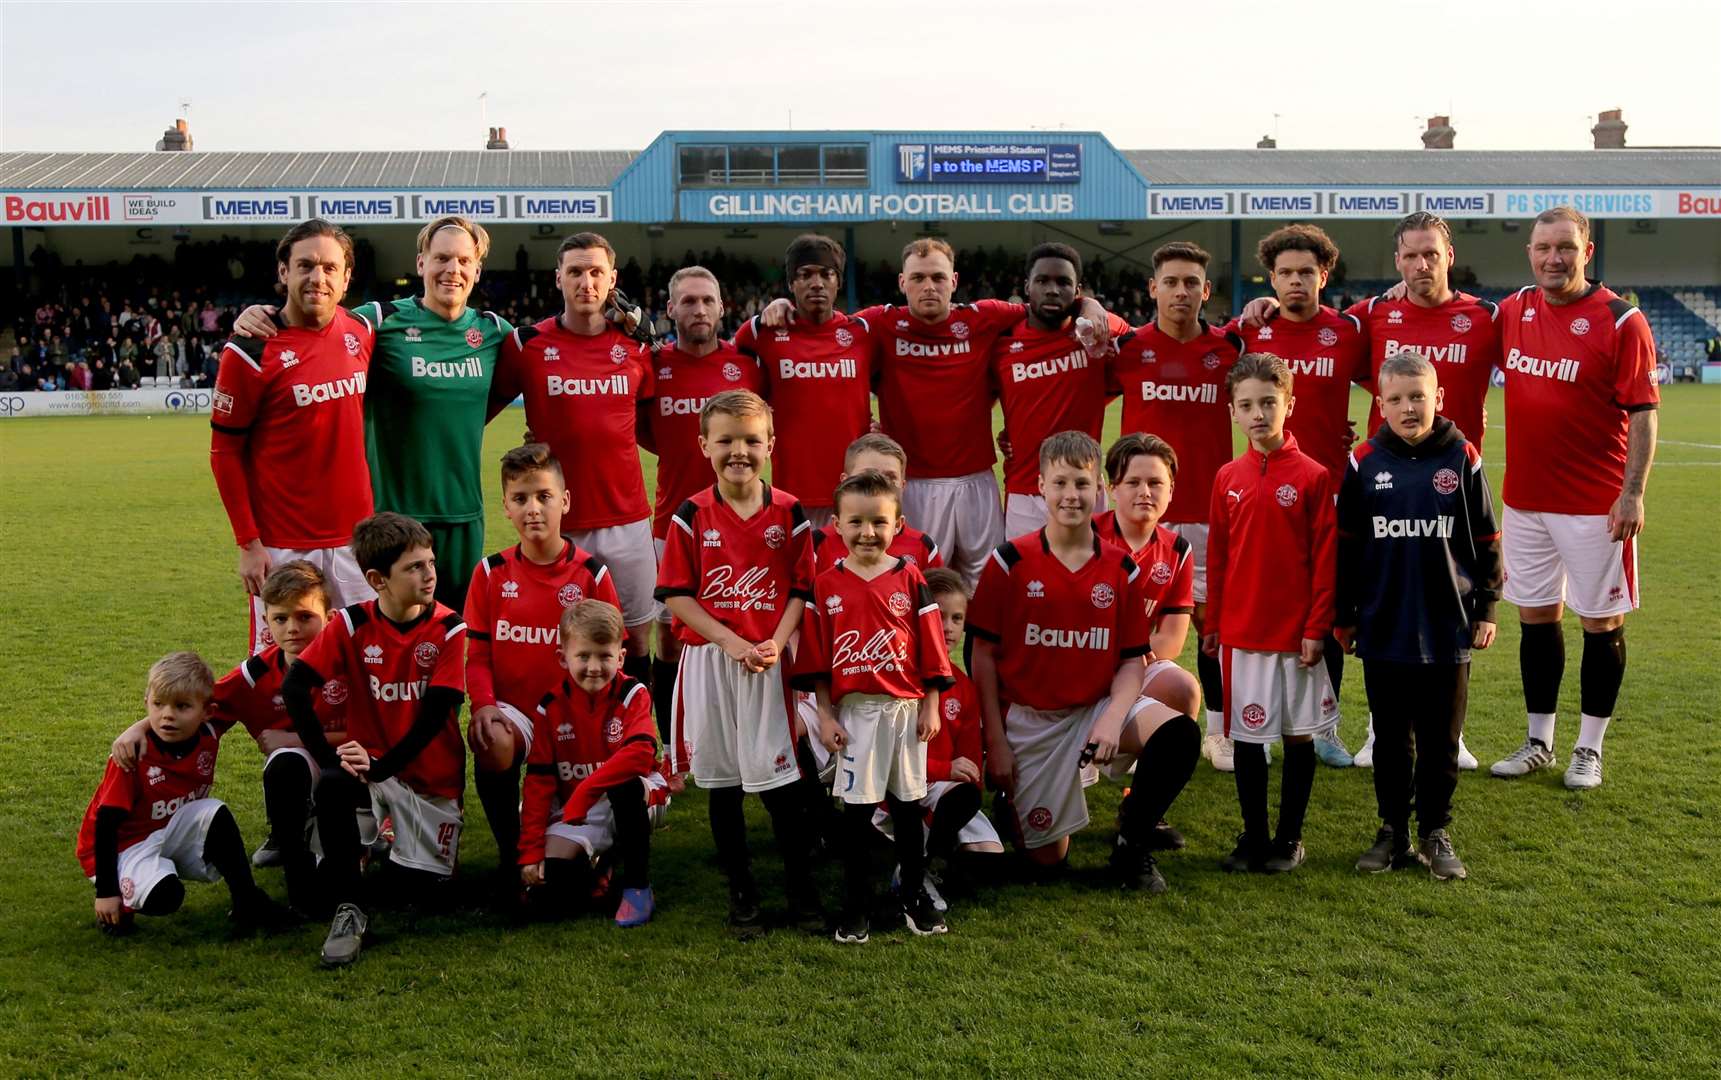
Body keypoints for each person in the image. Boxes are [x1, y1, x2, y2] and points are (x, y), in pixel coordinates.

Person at [234, 216, 513, 611]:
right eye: (442, 258)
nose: (453, 270)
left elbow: (534, 378)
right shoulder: (378, 321)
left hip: (464, 515)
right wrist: (258, 314)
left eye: (464, 261)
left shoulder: (493, 331)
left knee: (451, 631)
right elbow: (315, 322)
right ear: (421, 263)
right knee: (392, 633)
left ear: (477, 269)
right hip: (394, 515)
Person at [969, 431, 1202, 893]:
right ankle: (1012, 801)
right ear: (1040, 486)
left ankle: (1131, 847)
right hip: (1032, 721)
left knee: (1178, 734)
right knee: (1047, 864)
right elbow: (980, 656)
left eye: (1080, 484)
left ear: (1097, 488)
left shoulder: (1121, 569)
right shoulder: (1010, 561)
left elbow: (1135, 660)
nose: (1070, 495)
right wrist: (995, 740)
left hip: (1095, 705)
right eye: (1059, 484)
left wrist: (1113, 719)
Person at [1489, 207, 1659, 791]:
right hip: (1526, 501)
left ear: (1587, 250)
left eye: (1565, 247)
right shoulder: (1513, 310)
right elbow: (1443, 321)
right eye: (1543, 248)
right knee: (1536, 621)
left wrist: (1631, 494)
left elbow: (1643, 413)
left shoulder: (1620, 320)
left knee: (1600, 622)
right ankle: (1539, 740)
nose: (1553, 258)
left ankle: (1589, 749)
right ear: (1530, 253)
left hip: (1596, 505)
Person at [654, 390, 823, 938]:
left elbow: (801, 587)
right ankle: (742, 895)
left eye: (751, 440)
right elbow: (677, 595)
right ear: (704, 445)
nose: (739, 451)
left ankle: (801, 893)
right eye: (725, 440)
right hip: (711, 663)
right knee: (724, 784)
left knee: (782, 785)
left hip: (768, 665)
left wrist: (774, 641)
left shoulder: (789, 511)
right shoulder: (691, 514)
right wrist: (730, 642)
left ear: (770, 444)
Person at [1336, 351, 1501, 880]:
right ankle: (1392, 830)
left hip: (1448, 623)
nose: (1408, 408)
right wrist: (1345, 614)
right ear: (1379, 404)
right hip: (1385, 625)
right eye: (1397, 400)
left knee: (1441, 739)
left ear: (1439, 400)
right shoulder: (1364, 461)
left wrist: (1487, 606)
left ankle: (1434, 828)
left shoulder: (1462, 457)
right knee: (1390, 738)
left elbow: (1486, 539)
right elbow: (1347, 546)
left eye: (1418, 398)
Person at [281, 512, 468, 967]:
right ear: (376, 579)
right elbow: (294, 686)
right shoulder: (349, 624)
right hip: (371, 772)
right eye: (414, 567)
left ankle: (381, 843)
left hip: (429, 780)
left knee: (415, 892)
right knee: (331, 784)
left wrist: (383, 766)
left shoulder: (449, 629)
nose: (429, 575)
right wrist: (329, 757)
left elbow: (433, 719)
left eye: (429, 563)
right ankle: (349, 909)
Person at [110, 562, 348, 912]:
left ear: (329, 618)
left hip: (358, 767)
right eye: (281, 619)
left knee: (353, 862)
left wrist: (293, 739)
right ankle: (297, 876)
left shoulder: (351, 662)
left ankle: (356, 836)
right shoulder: (255, 676)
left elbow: (381, 730)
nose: (292, 629)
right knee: (285, 766)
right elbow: (196, 707)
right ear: (266, 621)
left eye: (304, 617)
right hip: (305, 771)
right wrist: (140, 727)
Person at [490, 232, 657, 692]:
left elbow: (657, 426)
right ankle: (562, 742)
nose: (587, 281)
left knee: (636, 639)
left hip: (626, 518)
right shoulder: (527, 345)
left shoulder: (638, 350)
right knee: (564, 640)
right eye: (577, 272)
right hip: (557, 521)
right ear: (558, 278)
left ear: (612, 279)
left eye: (596, 272)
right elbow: (476, 411)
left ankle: (644, 742)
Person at [795, 470, 955, 942]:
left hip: (905, 712)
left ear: (898, 524)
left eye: (879, 522)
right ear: (838, 526)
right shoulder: (825, 586)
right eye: (857, 522)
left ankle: (910, 895)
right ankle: (856, 902)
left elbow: (931, 651)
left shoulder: (910, 577)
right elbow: (817, 663)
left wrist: (931, 704)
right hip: (857, 714)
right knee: (859, 814)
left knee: (907, 809)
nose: (868, 532)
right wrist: (825, 716)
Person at [1230, 225, 1367, 769]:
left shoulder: (1350, 332)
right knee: (1263, 602)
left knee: (1326, 608)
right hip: (1262, 492)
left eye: (1305, 272)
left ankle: (1324, 726)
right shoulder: (1251, 333)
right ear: (1271, 279)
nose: (1294, 281)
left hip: (1328, 492)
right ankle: (1256, 723)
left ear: (1323, 276)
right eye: (1284, 273)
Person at [210, 219, 377, 655]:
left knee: (362, 666)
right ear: (283, 272)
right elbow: (224, 451)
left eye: (328, 267)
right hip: (283, 545)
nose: (316, 277)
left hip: (356, 543)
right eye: (305, 265)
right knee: (282, 678)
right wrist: (248, 543)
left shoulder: (361, 332)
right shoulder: (248, 351)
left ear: (345, 278)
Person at [464, 443, 621, 897]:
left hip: (576, 716)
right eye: (520, 499)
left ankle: (604, 850)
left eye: (543, 496)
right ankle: (510, 853)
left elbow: (611, 659)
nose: (533, 508)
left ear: (564, 501)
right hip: (518, 712)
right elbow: (477, 655)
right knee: (490, 741)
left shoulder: (592, 574)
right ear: (506, 508)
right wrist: (484, 707)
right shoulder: (491, 573)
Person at [1203, 354, 1339, 874]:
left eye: (1268, 402)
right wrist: (1213, 623)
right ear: (1233, 412)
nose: (1258, 413)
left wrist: (1315, 629)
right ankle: (1254, 835)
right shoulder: (1227, 477)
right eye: (1246, 405)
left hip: (1294, 636)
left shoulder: (1312, 476)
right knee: (1248, 737)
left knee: (1296, 735)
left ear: (1289, 404)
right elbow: (1217, 556)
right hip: (1241, 633)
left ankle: (1290, 837)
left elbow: (1326, 561)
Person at [1110, 245, 1244, 770]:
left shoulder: (1229, 348)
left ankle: (1219, 731)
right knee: (1122, 620)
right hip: (1138, 512)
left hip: (1208, 509)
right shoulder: (1126, 348)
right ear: (1152, 289)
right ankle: (1122, 722)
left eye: (1192, 282)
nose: (1181, 291)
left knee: (1211, 623)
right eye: (1171, 282)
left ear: (1206, 291)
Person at [76, 652, 287, 936]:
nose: (168, 715)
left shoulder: (209, 731)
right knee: (166, 897)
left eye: (182, 706)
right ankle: (123, 903)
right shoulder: (133, 755)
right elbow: (106, 825)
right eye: (158, 704)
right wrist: (106, 892)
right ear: (146, 704)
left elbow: (240, 681)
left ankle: (247, 901)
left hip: (167, 825)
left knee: (215, 812)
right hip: (123, 846)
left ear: (207, 712)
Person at [643, 265, 763, 733]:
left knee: (742, 628)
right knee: (671, 639)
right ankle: (674, 743)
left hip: (741, 526)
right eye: (688, 301)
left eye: (707, 301)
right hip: (672, 522)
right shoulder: (653, 365)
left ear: (722, 307)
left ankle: (739, 732)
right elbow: (635, 427)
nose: (698, 310)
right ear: (670, 308)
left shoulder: (746, 367)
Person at [519, 600, 668, 927]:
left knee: (624, 784)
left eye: (605, 656)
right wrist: (530, 852)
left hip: (635, 798)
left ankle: (637, 886)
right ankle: (602, 868)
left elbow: (641, 753)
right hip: (577, 810)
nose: (594, 667)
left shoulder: (633, 692)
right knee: (548, 890)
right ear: (563, 658)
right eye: (583, 656)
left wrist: (587, 789)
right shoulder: (549, 707)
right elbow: (539, 782)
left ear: (621, 657)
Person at [733, 234, 875, 529]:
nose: (817, 283)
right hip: (793, 494)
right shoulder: (767, 333)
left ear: (838, 282)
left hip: (853, 489)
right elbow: (739, 344)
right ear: (791, 284)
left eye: (827, 274)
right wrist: (770, 310)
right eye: (805, 274)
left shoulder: (862, 332)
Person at [994, 243, 1129, 537]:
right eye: (1043, 281)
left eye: (1063, 282)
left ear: (1077, 290)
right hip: (1025, 492)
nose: (1052, 289)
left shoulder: (1094, 335)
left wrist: (1092, 306)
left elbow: (1130, 337)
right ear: (1027, 286)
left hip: (1085, 486)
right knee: (1027, 581)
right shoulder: (1001, 346)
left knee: (1090, 578)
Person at [916, 567, 1005, 901]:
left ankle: (930, 858)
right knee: (959, 796)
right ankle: (919, 866)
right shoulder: (900, 676)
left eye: (957, 618)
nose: (948, 627)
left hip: (945, 792)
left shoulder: (964, 686)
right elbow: (892, 759)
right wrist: (944, 771)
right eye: (938, 616)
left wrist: (961, 777)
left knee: (989, 865)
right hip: (901, 789)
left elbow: (969, 765)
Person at [810, 434, 944, 572]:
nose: (879, 485)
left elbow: (938, 593)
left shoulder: (922, 547)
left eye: (890, 477)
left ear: (903, 486)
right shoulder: (816, 545)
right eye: (867, 476)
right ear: (845, 480)